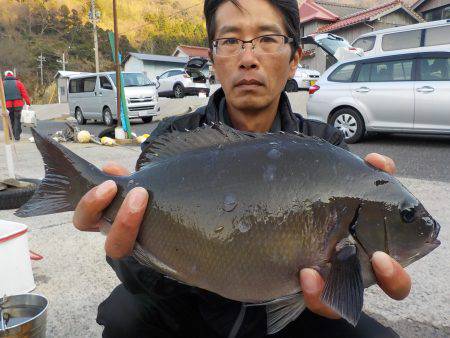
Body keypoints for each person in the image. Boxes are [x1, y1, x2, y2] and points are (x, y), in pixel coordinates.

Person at [73, 1, 411, 337]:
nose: (248, 58)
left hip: (295, 318)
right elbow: (141, 272)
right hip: (188, 308)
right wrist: (126, 251)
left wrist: (338, 298)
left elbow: (342, 272)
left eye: (267, 39)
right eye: (231, 41)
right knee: (124, 315)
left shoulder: (328, 146)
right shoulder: (174, 138)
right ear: (213, 60)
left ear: (294, 59)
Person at [3, 70, 31, 141]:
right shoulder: (18, 83)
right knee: (17, 119)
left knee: (9, 120)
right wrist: (28, 103)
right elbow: (24, 93)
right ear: (13, 75)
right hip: (18, 104)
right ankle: (17, 135)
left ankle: (10, 135)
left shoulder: (2, 84)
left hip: (7, 105)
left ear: (5, 76)